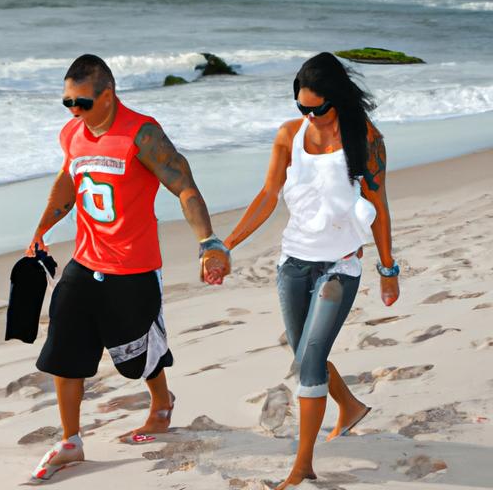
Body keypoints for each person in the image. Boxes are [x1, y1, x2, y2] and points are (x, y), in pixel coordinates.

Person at [26, 54, 230, 480]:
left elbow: (185, 187)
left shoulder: (143, 134)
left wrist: (208, 243)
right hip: (85, 260)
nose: (74, 111)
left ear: (108, 95)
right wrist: (44, 224)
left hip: (134, 268)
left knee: (137, 356)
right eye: (67, 103)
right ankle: (71, 441)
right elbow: (69, 180)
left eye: (81, 102)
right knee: (64, 346)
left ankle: (161, 401)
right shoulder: (73, 133)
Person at [223, 52, 400, 489]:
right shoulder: (288, 135)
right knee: (305, 357)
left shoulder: (366, 139)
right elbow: (268, 195)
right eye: (303, 107)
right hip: (293, 264)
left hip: (340, 266)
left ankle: (302, 466)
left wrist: (387, 267)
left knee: (310, 363)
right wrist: (225, 245)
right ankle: (351, 406)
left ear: (337, 99)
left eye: (319, 107)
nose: (310, 115)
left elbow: (378, 207)